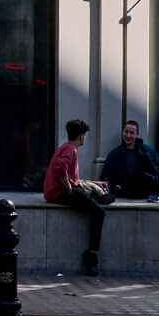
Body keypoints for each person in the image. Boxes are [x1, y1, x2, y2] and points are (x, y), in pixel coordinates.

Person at [43, 117, 111, 275]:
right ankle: (92, 255)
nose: (85, 138)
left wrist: (92, 183)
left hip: (58, 191)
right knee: (99, 212)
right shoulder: (70, 150)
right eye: (85, 135)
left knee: (97, 197)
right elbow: (60, 169)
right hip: (59, 193)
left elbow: (69, 175)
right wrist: (69, 188)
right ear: (81, 136)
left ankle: (103, 195)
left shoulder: (66, 148)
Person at [100, 118, 159, 202]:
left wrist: (154, 177)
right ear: (122, 132)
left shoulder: (146, 151)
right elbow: (105, 175)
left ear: (137, 134)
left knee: (139, 174)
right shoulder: (115, 153)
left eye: (132, 133)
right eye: (126, 132)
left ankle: (157, 191)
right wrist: (114, 185)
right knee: (136, 173)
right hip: (124, 190)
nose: (128, 136)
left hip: (145, 190)